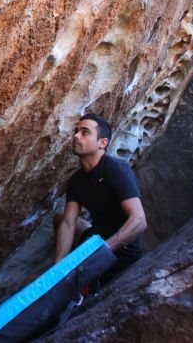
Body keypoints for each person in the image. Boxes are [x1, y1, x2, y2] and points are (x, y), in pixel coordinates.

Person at [52, 113, 147, 288]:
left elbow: (139, 221)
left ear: (102, 143)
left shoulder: (116, 170)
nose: (76, 136)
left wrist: (102, 251)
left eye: (85, 132)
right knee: (59, 218)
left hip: (120, 255)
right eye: (76, 131)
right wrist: (57, 270)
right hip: (95, 238)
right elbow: (68, 224)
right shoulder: (76, 181)